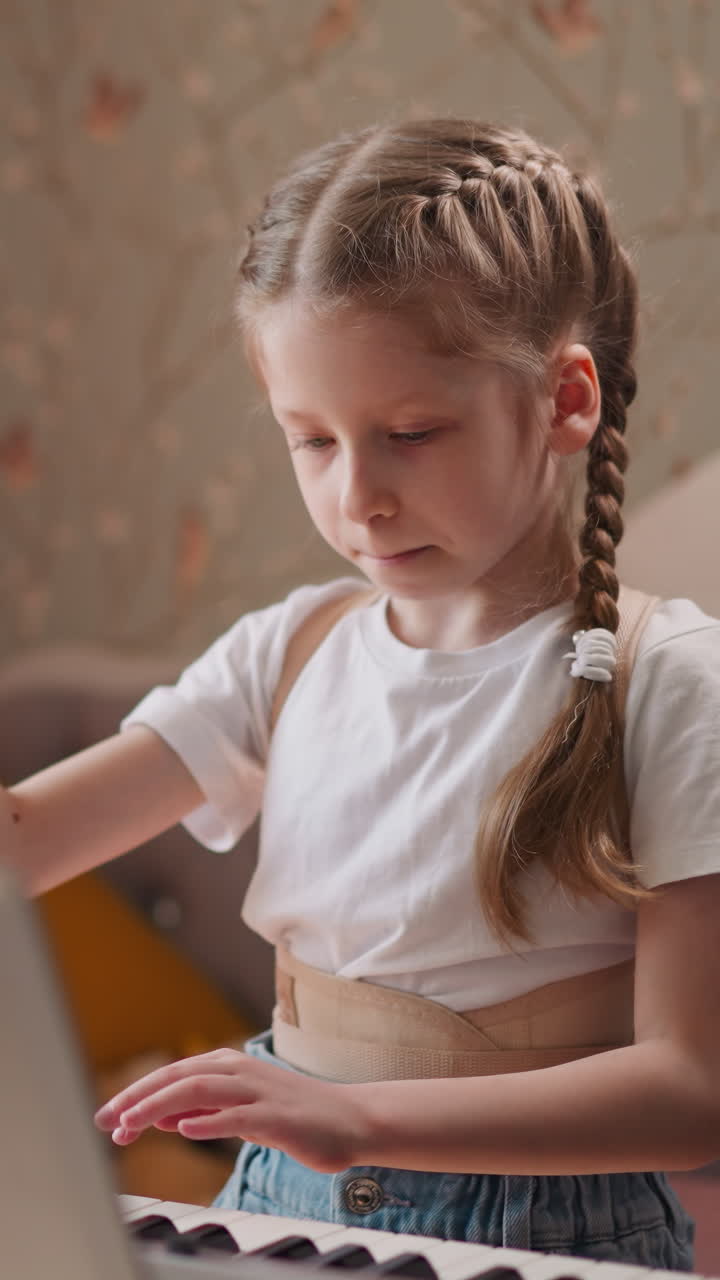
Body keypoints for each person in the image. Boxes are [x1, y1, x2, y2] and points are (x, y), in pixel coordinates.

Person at [3, 116, 719, 1269]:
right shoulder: (287, 652)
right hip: (276, 1199)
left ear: (565, 399)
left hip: (543, 1235)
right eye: (311, 440)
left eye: (410, 432)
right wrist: (314, 1126)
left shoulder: (669, 684)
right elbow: (23, 837)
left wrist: (354, 1119)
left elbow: (691, 1090)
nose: (358, 497)